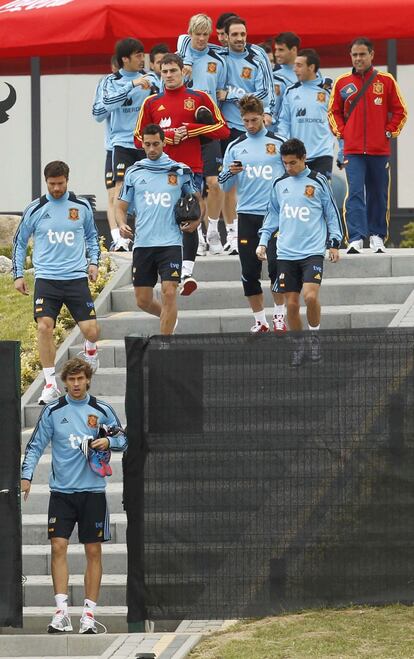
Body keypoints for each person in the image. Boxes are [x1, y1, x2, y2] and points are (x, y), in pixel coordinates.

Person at [21, 357, 127, 634]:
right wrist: (26, 476)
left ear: (88, 379)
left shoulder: (101, 409)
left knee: (93, 550)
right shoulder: (54, 410)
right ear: (65, 382)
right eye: (71, 379)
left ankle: (89, 616)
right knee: (58, 546)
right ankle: (61, 613)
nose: (76, 384)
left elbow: (124, 439)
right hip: (62, 493)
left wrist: (108, 441)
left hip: (93, 493)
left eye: (81, 379)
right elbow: (34, 447)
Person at [134, 53, 229, 295]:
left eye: (173, 71)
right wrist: (163, 139)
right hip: (159, 171)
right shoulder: (151, 102)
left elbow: (223, 129)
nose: (168, 76)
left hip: (190, 170)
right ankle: (166, 269)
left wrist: (190, 130)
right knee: (163, 218)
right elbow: (137, 139)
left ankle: (186, 271)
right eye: (164, 72)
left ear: (182, 71)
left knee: (189, 216)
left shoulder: (199, 98)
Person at [12, 161, 100, 404]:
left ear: (67, 180)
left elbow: (92, 237)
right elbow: (20, 242)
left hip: (75, 278)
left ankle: (91, 351)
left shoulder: (80, 206)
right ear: (46, 182)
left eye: (60, 183)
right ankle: (50, 384)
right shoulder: (36, 208)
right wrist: (18, 274)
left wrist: (93, 263)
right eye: (52, 184)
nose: (56, 188)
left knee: (91, 331)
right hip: (47, 280)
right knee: (44, 328)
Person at [256, 139, 342, 365]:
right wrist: (263, 241)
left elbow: (332, 214)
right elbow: (272, 215)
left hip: (312, 250)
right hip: (285, 253)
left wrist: (334, 243)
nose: (288, 167)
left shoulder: (319, 181)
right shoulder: (279, 183)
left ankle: (314, 338)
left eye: (293, 163)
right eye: (285, 163)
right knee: (291, 305)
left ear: (303, 159)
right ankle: (299, 344)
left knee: (310, 296)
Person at [116, 124, 198, 334]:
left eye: (156, 144)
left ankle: (165, 345)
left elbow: (198, 202)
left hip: (170, 242)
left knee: (169, 292)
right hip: (143, 243)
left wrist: (196, 222)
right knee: (142, 300)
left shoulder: (179, 170)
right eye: (147, 144)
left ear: (164, 143)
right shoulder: (134, 172)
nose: (152, 149)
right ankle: (169, 319)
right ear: (142, 144)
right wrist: (122, 223)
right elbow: (121, 206)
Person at [328, 36, 407, 254]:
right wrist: (343, 133)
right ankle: (355, 238)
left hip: (379, 150)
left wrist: (389, 131)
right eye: (354, 55)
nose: (358, 58)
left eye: (363, 54)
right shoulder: (342, 83)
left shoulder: (386, 81)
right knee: (354, 193)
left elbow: (400, 111)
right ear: (350, 57)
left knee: (378, 193)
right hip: (353, 150)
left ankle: (377, 236)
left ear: (372, 55)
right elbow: (333, 112)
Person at [219, 95, 287, 333]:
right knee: (249, 271)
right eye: (246, 121)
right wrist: (229, 172)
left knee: (277, 268)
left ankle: (280, 315)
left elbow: (294, 173)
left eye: (254, 120)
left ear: (263, 117)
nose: (250, 125)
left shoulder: (279, 143)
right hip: (247, 215)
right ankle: (260, 320)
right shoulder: (235, 146)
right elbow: (224, 186)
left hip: (275, 215)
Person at [217, 16, 276, 255]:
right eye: (235, 35)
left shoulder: (257, 55)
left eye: (243, 34)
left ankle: (266, 230)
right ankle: (231, 234)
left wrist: (232, 95)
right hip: (228, 127)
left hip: (253, 126)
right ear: (226, 36)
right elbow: (185, 43)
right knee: (230, 182)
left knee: (260, 178)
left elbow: (265, 90)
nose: (240, 39)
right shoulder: (220, 57)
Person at [177, 13, 227, 256]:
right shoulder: (179, 59)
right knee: (192, 186)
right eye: (197, 34)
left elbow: (221, 91)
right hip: (187, 130)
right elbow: (180, 41)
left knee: (214, 184)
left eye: (205, 34)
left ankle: (214, 231)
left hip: (209, 129)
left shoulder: (217, 59)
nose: (201, 39)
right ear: (190, 34)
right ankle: (196, 234)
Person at [101, 38, 152, 210]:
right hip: (121, 142)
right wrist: (131, 85)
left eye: (142, 56)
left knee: (146, 188)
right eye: (137, 56)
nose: (142, 60)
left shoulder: (150, 79)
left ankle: (144, 231)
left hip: (145, 142)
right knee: (120, 188)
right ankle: (121, 233)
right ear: (125, 59)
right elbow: (107, 103)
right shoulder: (111, 80)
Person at [278, 49, 335, 179]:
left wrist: (343, 150)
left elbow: (338, 121)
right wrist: (283, 146)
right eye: (294, 65)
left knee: (321, 194)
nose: (294, 69)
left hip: (322, 154)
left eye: (299, 65)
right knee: (298, 196)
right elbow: (284, 122)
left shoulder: (328, 91)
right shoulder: (291, 91)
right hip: (296, 155)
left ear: (311, 67)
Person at [92, 55, 127, 251]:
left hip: (135, 147)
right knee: (113, 193)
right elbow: (98, 113)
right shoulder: (106, 84)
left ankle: (132, 235)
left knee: (132, 193)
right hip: (113, 147)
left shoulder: (141, 82)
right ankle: (117, 237)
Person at [272, 32, 301, 129]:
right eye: (276, 50)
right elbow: (273, 111)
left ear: (293, 49)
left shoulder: (313, 72)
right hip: (283, 134)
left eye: (281, 50)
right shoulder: (274, 74)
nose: (276, 54)